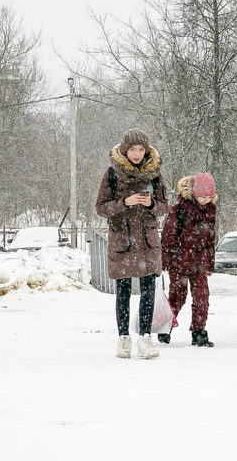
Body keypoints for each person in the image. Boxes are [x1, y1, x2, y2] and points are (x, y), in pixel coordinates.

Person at [95, 128, 169, 359]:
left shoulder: (155, 173)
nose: (137, 154)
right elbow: (100, 208)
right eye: (132, 149)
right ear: (125, 150)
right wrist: (124, 202)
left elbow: (164, 207)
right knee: (123, 292)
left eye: (141, 149)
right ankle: (123, 339)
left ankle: (145, 339)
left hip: (147, 241)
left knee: (148, 291)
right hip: (122, 239)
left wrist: (150, 204)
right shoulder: (112, 173)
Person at [160, 173, 217, 347]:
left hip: (200, 262)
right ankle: (165, 326)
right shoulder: (178, 211)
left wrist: (210, 263)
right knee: (177, 297)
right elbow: (168, 238)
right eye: (202, 196)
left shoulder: (210, 212)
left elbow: (210, 240)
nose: (205, 200)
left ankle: (199, 332)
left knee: (202, 298)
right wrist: (165, 262)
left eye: (209, 196)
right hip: (179, 262)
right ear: (193, 193)